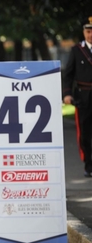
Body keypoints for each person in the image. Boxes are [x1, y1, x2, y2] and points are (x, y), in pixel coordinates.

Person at [62, 16, 92, 178]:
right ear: (84, 33)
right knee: (85, 134)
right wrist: (67, 94)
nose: (90, 35)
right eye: (88, 32)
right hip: (83, 97)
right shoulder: (76, 50)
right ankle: (89, 165)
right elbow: (68, 75)